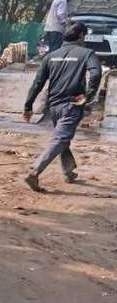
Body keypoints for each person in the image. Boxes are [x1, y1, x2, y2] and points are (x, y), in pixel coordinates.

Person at [22, 21, 102, 192]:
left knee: (62, 137)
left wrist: (28, 106)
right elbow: (96, 73)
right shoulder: (87, 53)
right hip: (72, 105)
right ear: (81, 36)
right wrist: (88, 96)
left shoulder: (51, 55)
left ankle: (69, 170)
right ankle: (34, 171)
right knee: (60, 139)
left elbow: (37, 83)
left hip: (54, 106)